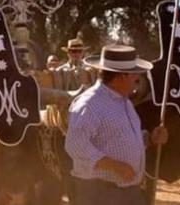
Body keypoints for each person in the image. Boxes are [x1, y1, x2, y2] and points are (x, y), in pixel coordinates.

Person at [65, 45, 169, 205]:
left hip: (126, 192)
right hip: (99, 194)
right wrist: (114, 166)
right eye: (134, 74)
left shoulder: (124, 102)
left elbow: (118, 137)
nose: (137, 78)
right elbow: (75, 144)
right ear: (121, 77)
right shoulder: (89, 104)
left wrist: (150, 138)